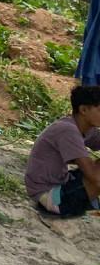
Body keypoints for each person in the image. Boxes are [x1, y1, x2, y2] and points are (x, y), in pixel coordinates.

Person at [25, 84, 100, 217]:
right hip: (48, 195)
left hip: (60, 183)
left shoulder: (86, 128)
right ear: (83, 109)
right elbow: (95, 177)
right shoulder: (68, 130)